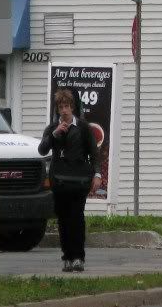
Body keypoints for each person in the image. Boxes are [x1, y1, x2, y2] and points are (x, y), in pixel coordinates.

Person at [39, 88, 101, 272]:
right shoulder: (52, 129)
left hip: (80, 180)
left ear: (72, 108)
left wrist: (97, 174)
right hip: (59, 181)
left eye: (67, 106)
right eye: (61, 107)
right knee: (63, 220)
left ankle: (78, 257)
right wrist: (55, 133)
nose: (64, 110)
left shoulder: (83, 128)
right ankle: (67, 256)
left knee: (77, 218)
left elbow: (94, 154)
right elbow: (42, 150)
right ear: (57, 109)